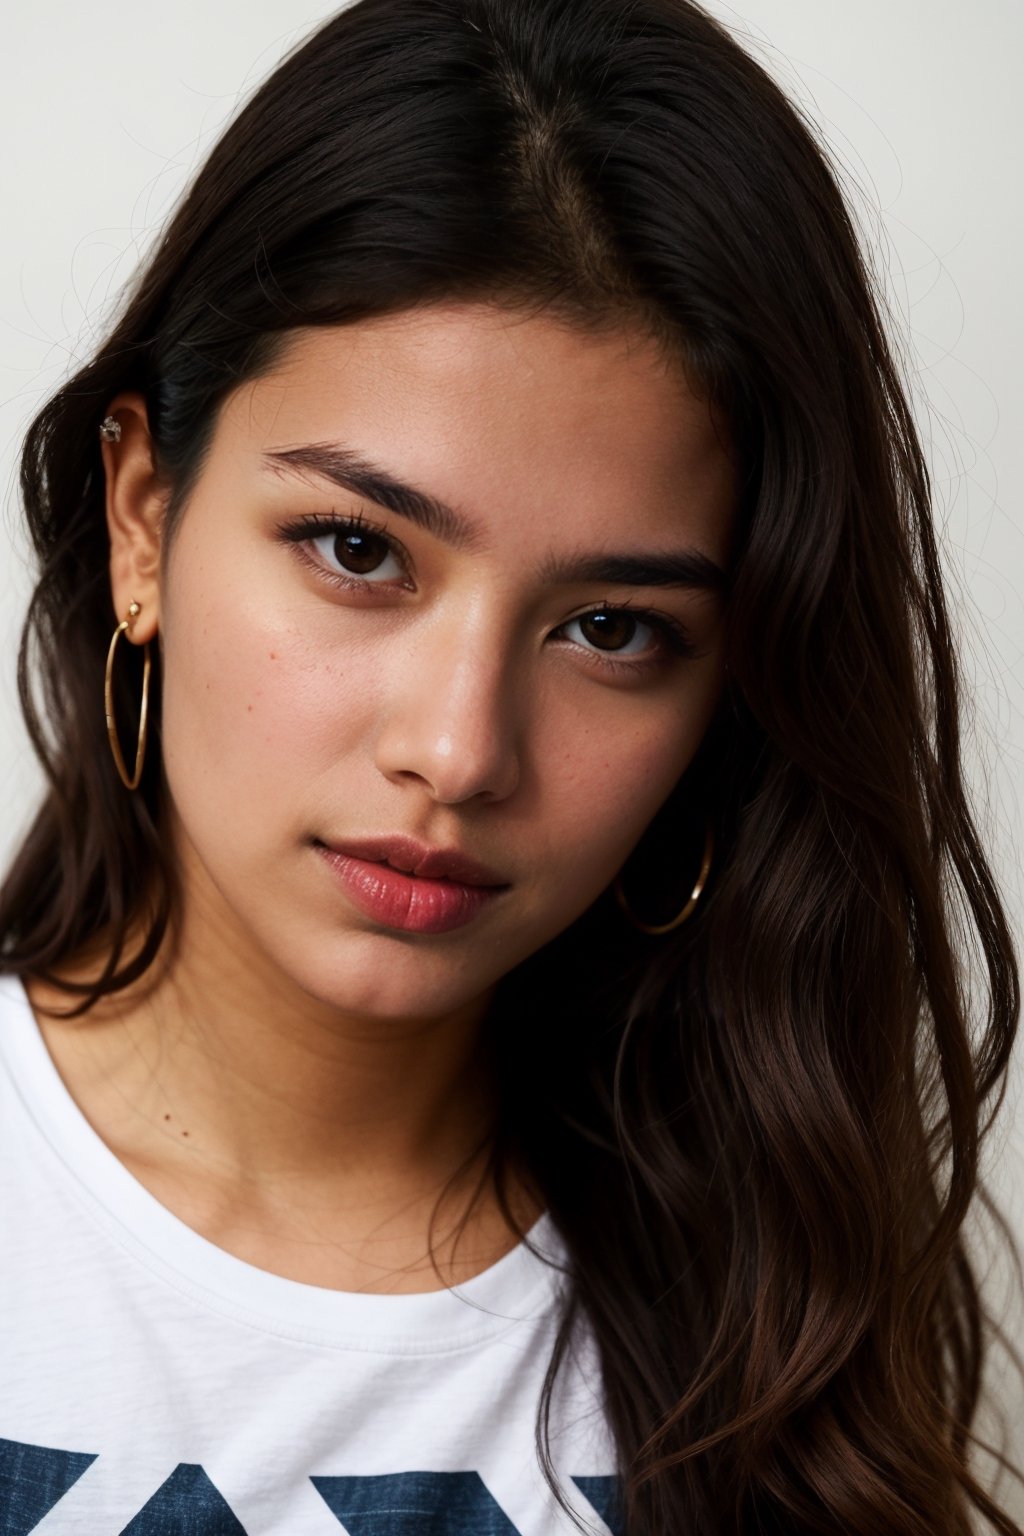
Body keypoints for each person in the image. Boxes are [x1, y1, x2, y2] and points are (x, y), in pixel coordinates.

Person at [0, 0, 1019, 1530]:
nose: (461, 749)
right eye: (359, 551)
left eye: (612, 627)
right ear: (142, 514)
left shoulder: (768, 1344)